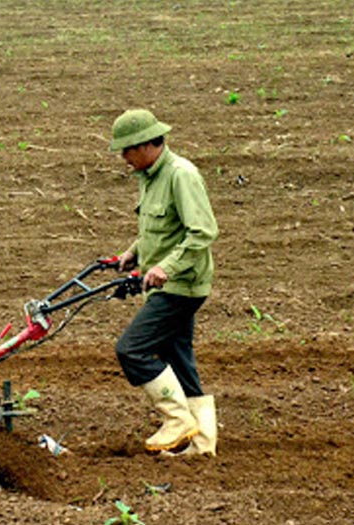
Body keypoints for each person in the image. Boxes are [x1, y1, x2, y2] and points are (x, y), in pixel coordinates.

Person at [108, 109, 219, 456]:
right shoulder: (151, 176)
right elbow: (161, 229)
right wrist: (133, 253)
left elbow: (202, 232)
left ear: (144, 145)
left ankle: (177, 420)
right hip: (167, 283)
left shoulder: (181, 175)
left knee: (131, 350)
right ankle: (202, 445)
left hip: (181, 286)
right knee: (178, 357)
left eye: (126, 150)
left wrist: (165, 268)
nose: (124, 158)